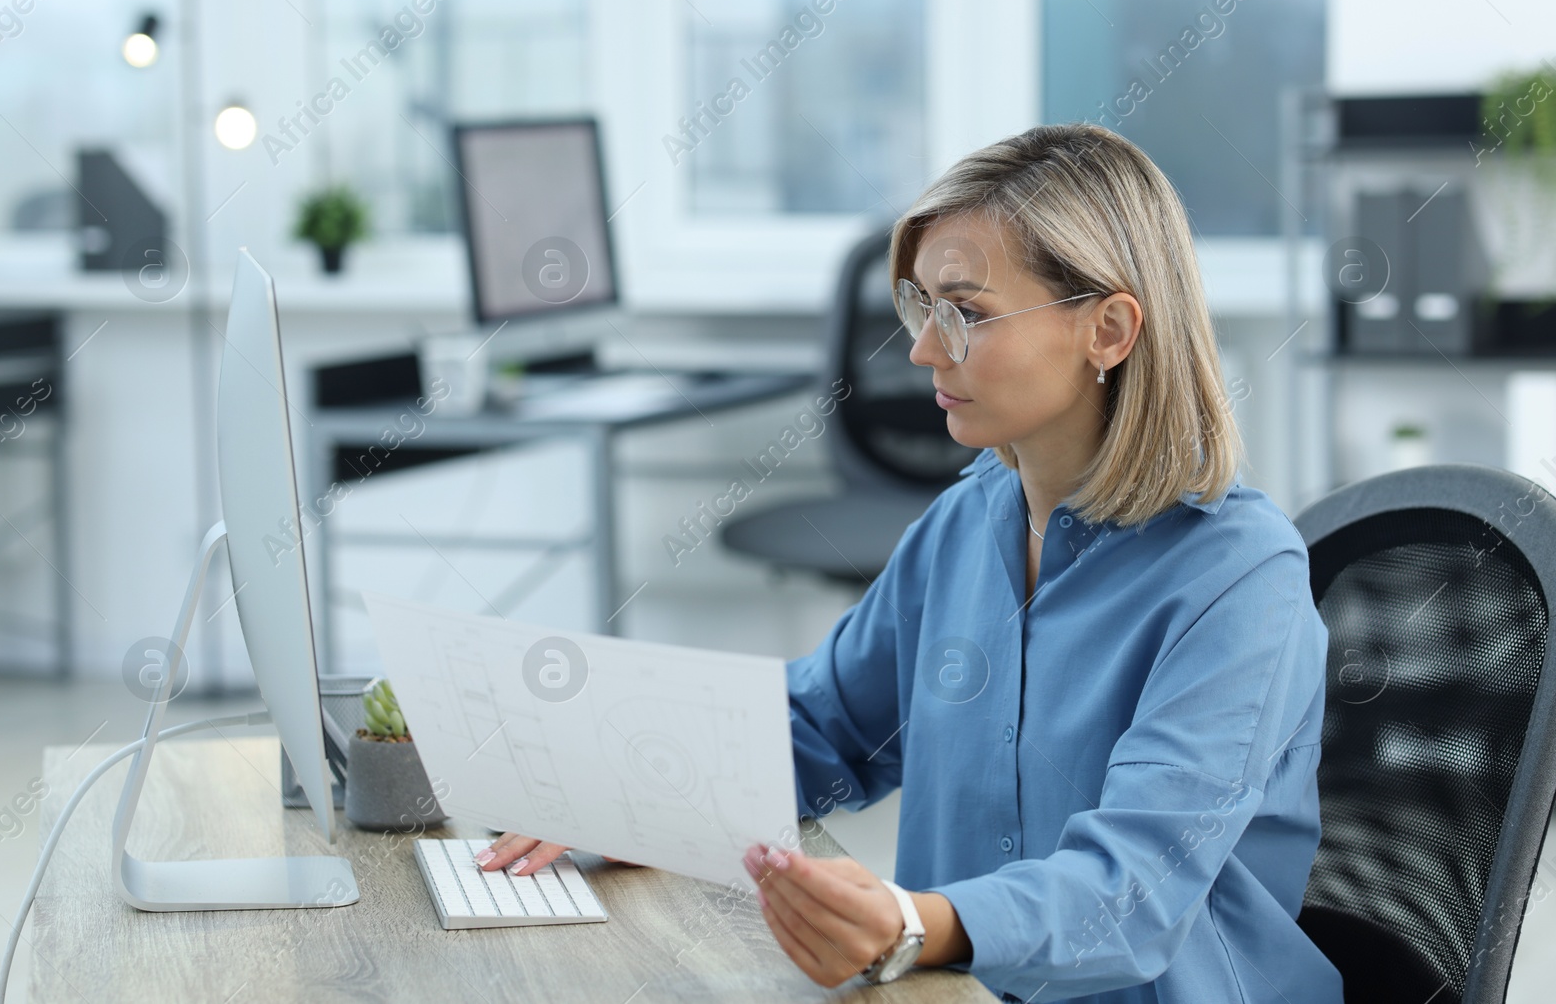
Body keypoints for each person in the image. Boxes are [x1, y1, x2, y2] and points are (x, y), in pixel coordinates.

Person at [475, 123, 1342, 1003]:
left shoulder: (1239, 579)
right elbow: (827, 723)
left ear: (1109, 330)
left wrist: (913, 923)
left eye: (965, 312)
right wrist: (625, 785)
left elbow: (1130, 890)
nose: (925, 349)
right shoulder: (968, 520)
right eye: (921, 306)